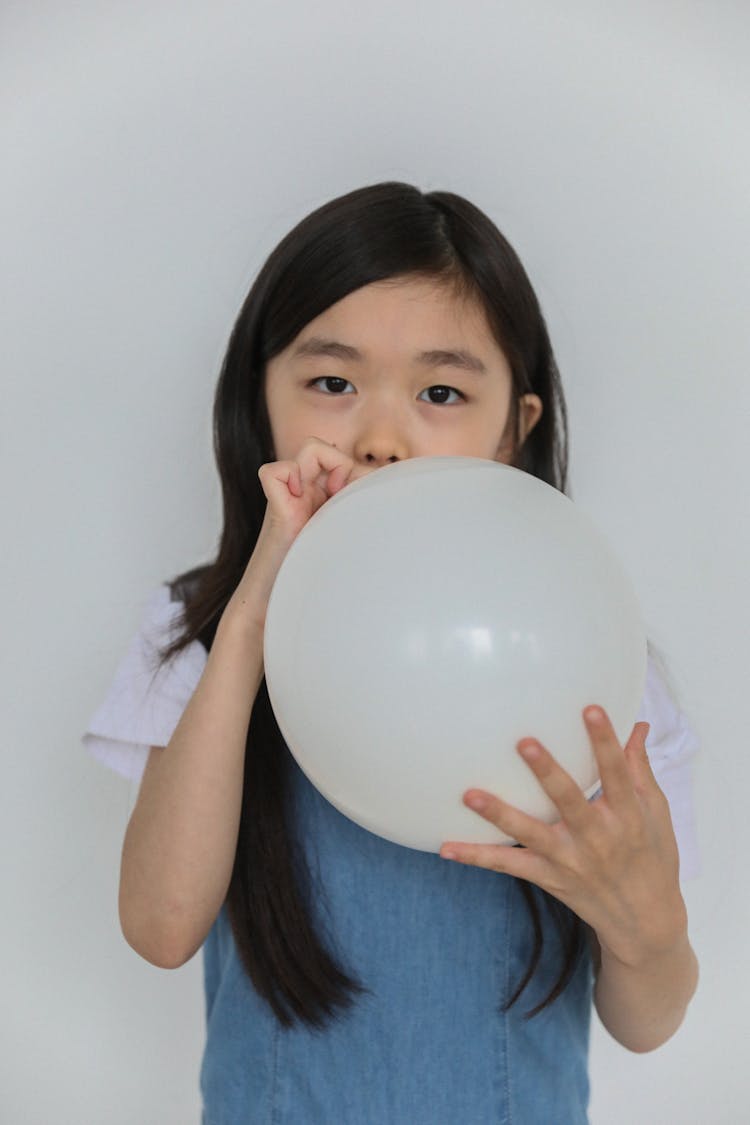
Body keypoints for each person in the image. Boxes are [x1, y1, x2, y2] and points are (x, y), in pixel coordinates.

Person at [83, 181, 700, 1124]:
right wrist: (251, 616)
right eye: (332, 382)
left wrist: (645, 925)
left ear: (515, 429)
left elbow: (647, 1020)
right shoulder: (206, 636)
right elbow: (161, 926)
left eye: (441, 392)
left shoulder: (595, 659)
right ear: (264, 398)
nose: (378, 439)